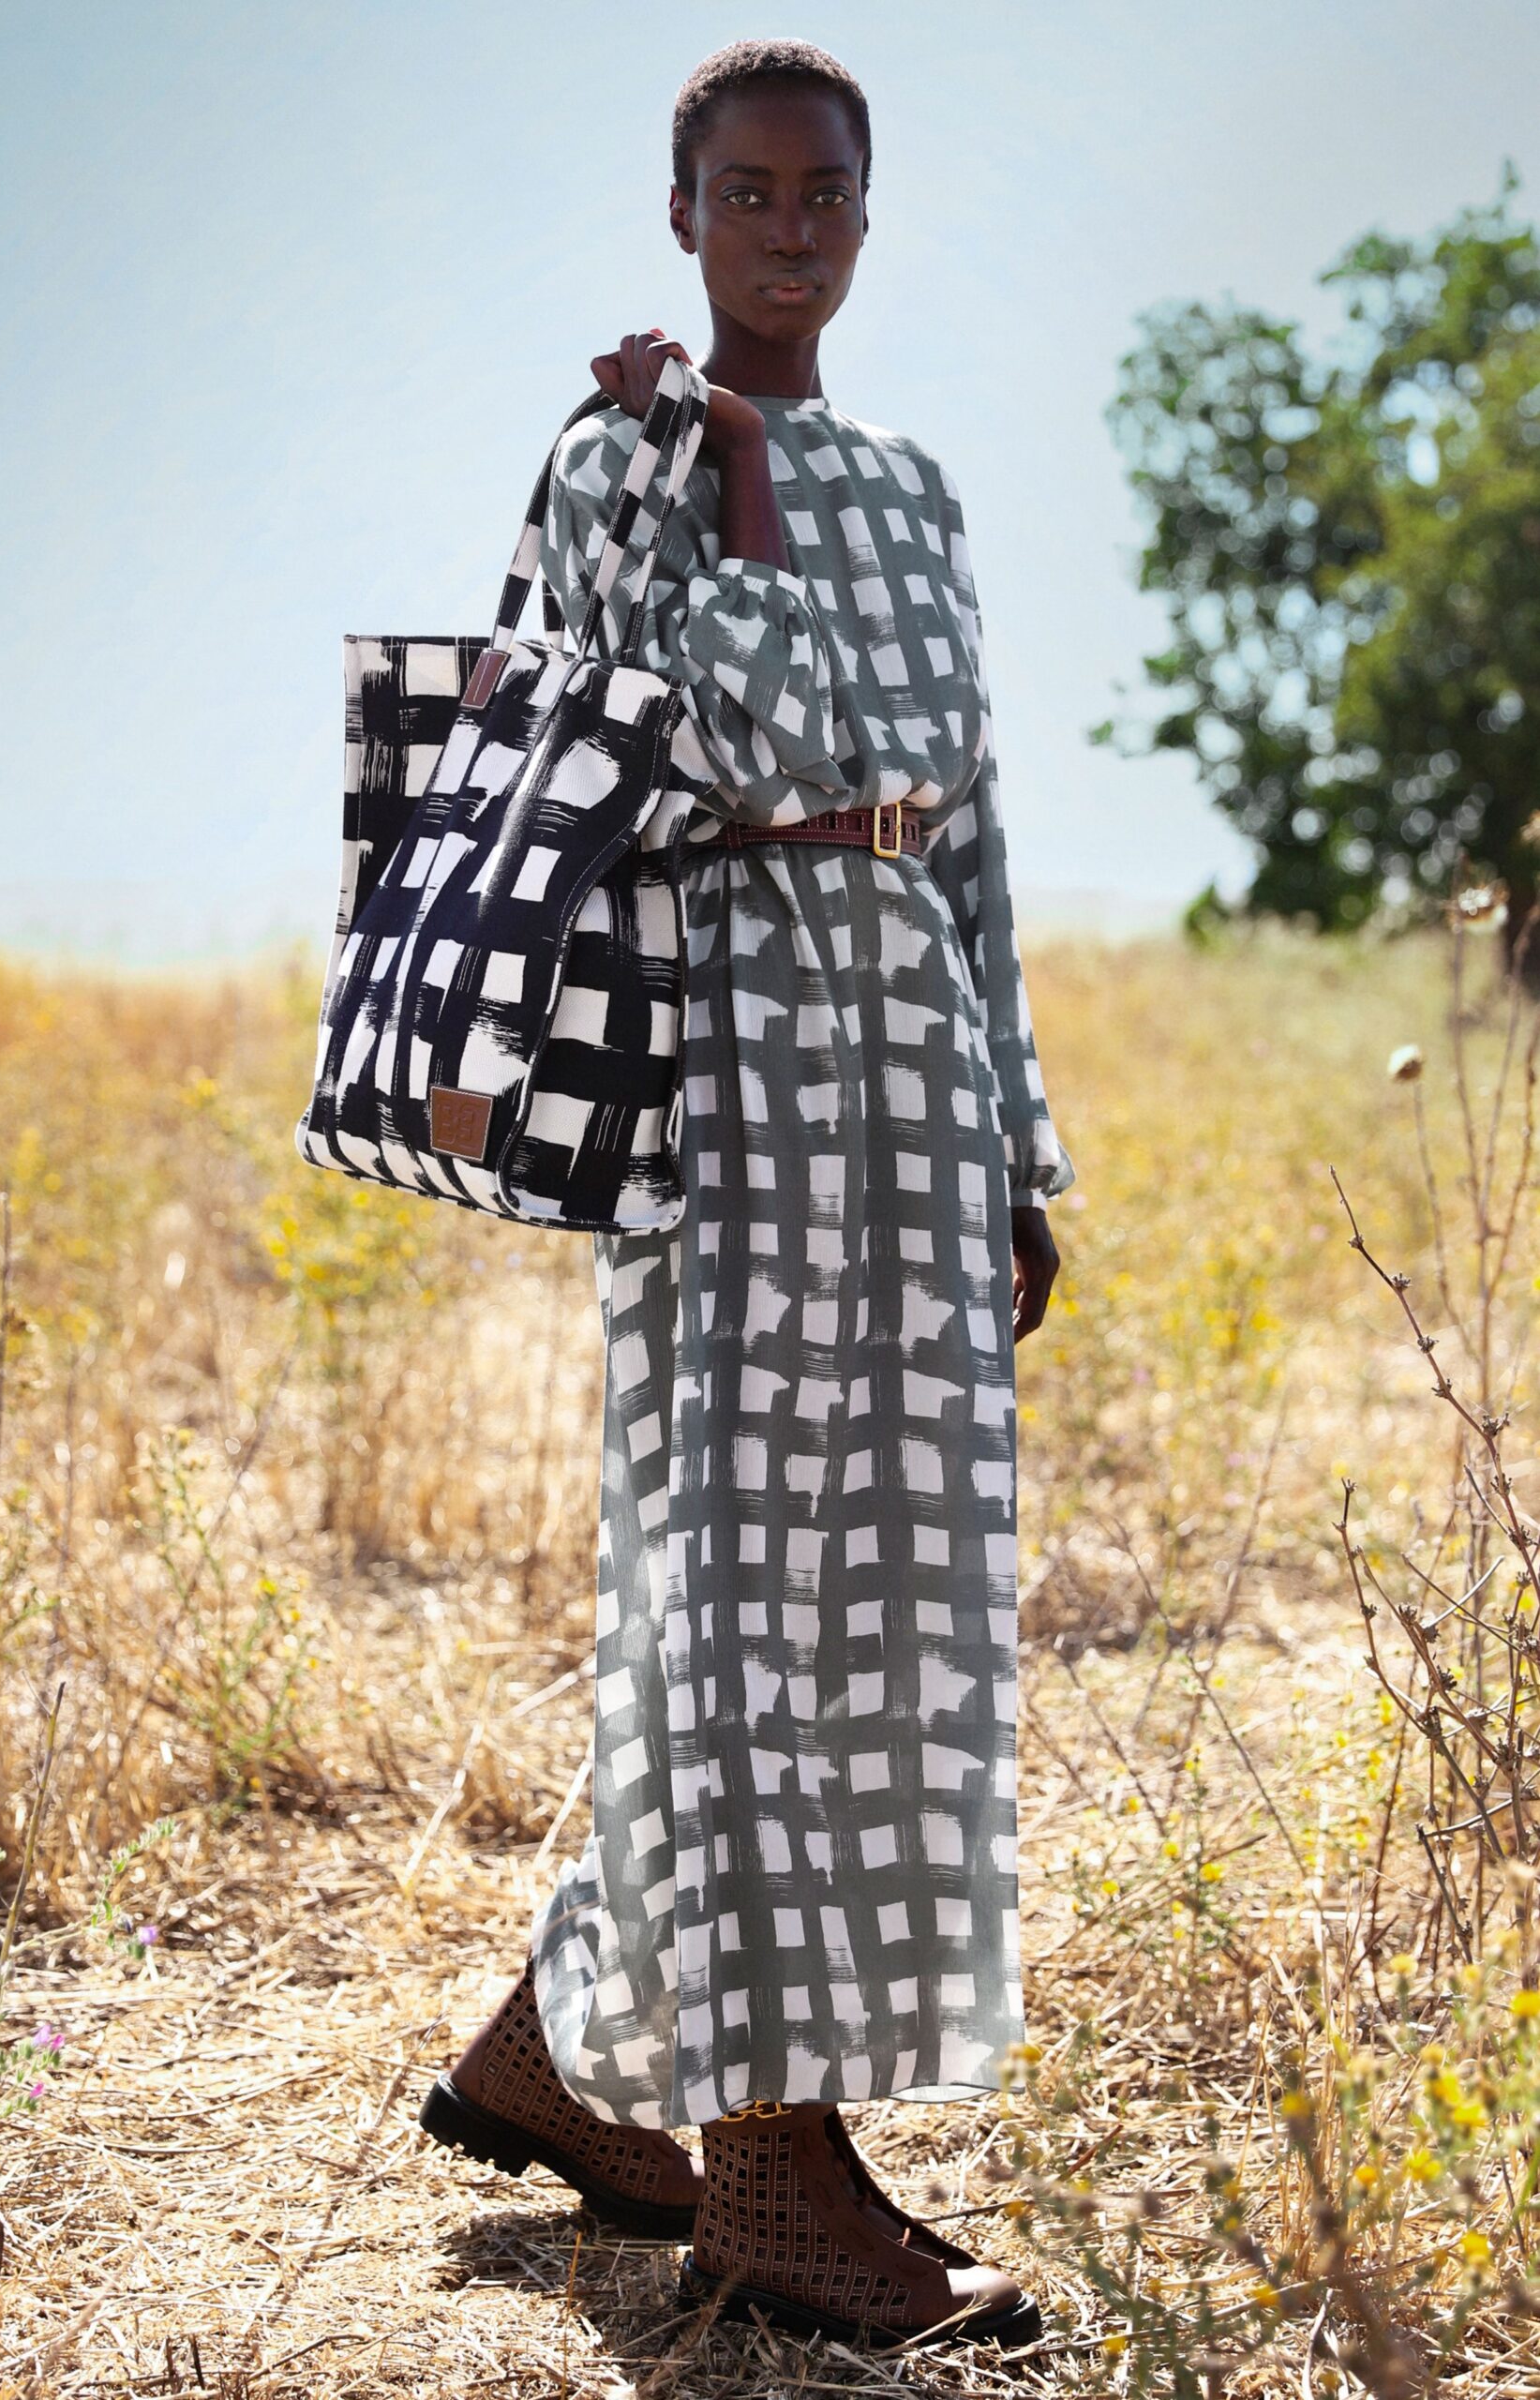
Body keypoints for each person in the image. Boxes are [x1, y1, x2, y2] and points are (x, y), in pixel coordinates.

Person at [420, 37, 1074, 2351]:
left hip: (906, 1076)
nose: (788, 228)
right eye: (747, 192)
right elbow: (604, 740)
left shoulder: (917, 486)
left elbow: (969, 832)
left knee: (872, 1606)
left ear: (862, 229)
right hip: (727, 1077)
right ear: (681, 214)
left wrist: (1016, 1143)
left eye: (825, 197)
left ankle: (547, 2052)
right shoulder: (611, 459)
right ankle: (770, 2176)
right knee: (728, 1593)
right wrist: (694, 466)